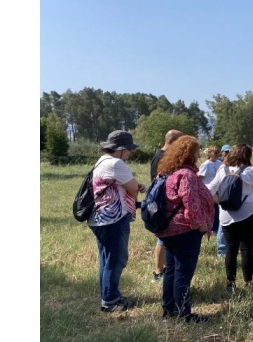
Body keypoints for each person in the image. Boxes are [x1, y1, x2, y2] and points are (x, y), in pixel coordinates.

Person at [155, 135, 214, 324]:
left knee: (171, 271)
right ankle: (183, 314)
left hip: (169, 230)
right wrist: (201, 224)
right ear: (190, 153)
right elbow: (191, 203)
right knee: (183, 273)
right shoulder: (186, 175)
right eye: (197, 150)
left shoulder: (169, 172)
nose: (199, 153)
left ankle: (169, 310)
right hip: (185, 231)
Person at [89, 130, 146, 312]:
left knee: (106, 259)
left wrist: (133, 186)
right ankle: (111, 300)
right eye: (129, 149)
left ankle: (108, 295)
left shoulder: (102, 161)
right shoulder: (116, 163)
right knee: (116, 260)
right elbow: (132, 189)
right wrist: (136, 187)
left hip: (100, 217)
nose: (130, 152)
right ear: (120, 149)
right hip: (113, 218)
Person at [207, 143, 253, 291]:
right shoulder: (251, 171)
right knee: (246, 249)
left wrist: (220, 202)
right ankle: (248, 282)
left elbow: (209, 190)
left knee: (230, 250)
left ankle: (230, 283)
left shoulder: (222, 170)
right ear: (248, 156)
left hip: (226, 216)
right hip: (248, 214)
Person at [150, 129, 183, 283]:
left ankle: (162, 269)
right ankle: (158, 271)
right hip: (161, 202)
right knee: (162, 237)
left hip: (165, 201)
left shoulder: (165, 156)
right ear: (171, 141)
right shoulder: (161, 157)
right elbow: (159, 182)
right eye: (179, 141)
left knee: (164, 237)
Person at [197, 145, 223, 256]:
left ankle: (215, 228)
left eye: (217, 152)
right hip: (207, 190)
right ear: (210, 153)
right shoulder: (206, 164)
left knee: (217, 209)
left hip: (217, 190)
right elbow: (200, 178)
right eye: (214, 153)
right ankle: (207, 228)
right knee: (209, 209)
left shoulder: (219, 163)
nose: (216, 154)